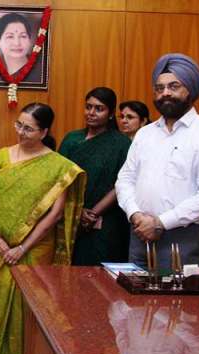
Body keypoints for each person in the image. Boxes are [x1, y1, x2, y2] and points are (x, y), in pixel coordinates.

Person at [0, 103, 85, 354]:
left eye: (29, 128)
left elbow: (54, 214)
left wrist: (22, 247)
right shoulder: (2, 156)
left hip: (35, 248)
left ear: (44, 132)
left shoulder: (58, 166)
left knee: (26, 305)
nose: (21, 132)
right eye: (18, 125)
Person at [116, 53, 199, 269]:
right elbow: (125, 179)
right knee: (135, 291)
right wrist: (135, 214)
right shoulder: (145, 133)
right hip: (139, 233)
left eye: (173, 86)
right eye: (159, 88)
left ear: (190, 90)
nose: (165, 93)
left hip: (181, 237)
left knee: (177, 292)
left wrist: (160, 223)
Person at [59, 87, 132, 265]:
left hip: (106, 219)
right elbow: (58, 179)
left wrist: (93, 213)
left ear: (110, 114)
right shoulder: (71, 139)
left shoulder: (121, 143)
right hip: (69, 215)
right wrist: (78, 211)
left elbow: (123, 183)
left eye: (99, 109)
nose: (91, 113)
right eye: (88, 107)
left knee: (100, 271)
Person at [0, 12, 44, 84]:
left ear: (30, 40)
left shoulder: (41, 71)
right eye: (10, 36)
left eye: (23, 36)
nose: (17, 43)